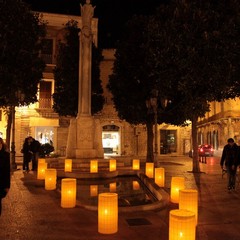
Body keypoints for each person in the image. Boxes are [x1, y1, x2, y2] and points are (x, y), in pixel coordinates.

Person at [0, 138, 10, 216]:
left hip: (1, 182)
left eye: (0, 144)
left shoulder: (5, 155)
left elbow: (7, 171)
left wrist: (7, 186)